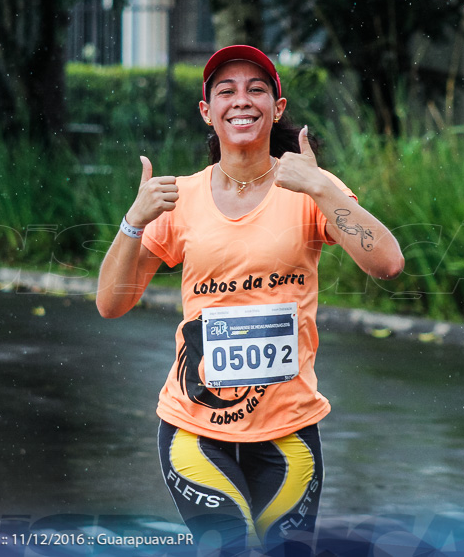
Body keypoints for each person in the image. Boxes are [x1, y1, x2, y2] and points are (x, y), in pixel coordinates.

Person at [96, 45, 404, 554]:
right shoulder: (180, 199)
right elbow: (111, 303)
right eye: (226, 91)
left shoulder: (309, 190)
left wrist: (322, 187)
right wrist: (135, 220)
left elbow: (387, 261)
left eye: (257, 89)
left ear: (277, 108)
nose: (242, 100)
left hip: (289, 431)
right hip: (193, 429)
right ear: (207, 112)